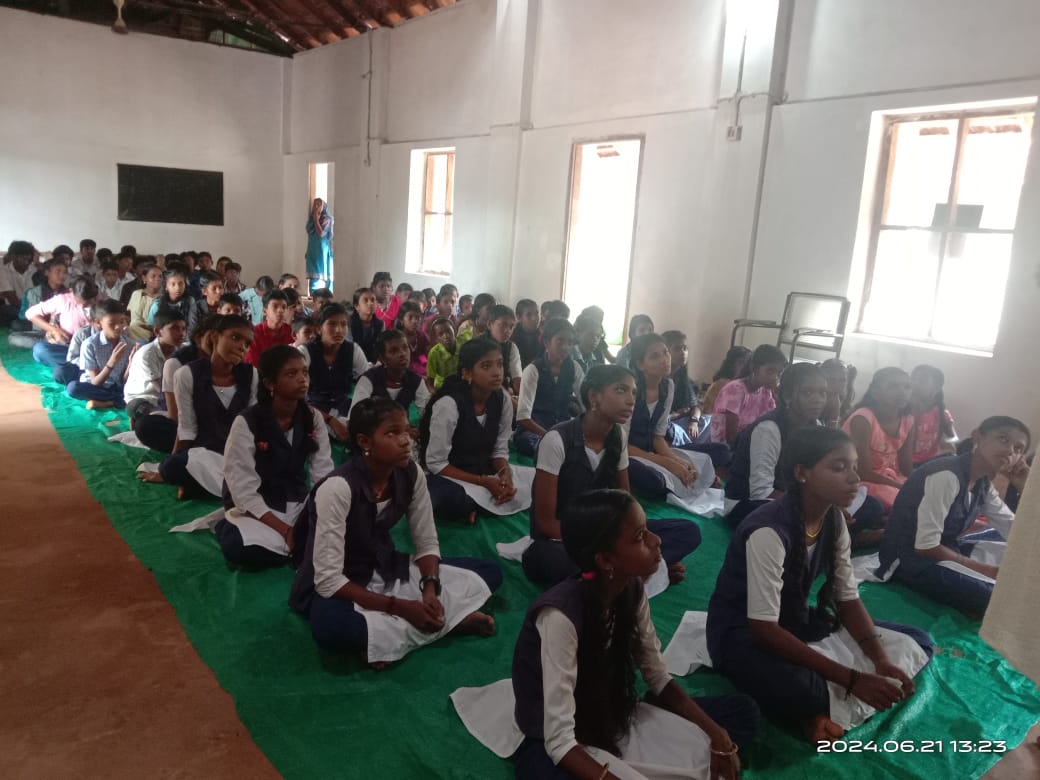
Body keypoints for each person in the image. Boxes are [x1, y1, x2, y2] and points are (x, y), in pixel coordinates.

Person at [706, 426, 933, 744]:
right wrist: (853, 680)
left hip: (794, 619)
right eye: (839, 468)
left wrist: (880, 660)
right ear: (802, 473)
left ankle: (825, 707)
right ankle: (814, 710)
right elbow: (764, 631)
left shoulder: (834, 520)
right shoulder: (768, 531)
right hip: (743, 633)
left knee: (917, 640)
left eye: (854, 467)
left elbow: (847, 598)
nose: (854, 478)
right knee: (804, 691)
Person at [512, 490, 757, 779]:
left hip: (612, 714)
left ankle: (661, 723)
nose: (657, 540)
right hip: (555, 736)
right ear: (606, 560)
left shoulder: (631, 589)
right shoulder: (560, 616)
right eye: (640, 537)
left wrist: (717, 734)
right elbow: (559, 741)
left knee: (743, 713)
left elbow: (657, 676)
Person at [289, 397, 502, 665]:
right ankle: (451, 622)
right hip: (344, 581)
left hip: (386, 565)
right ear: (364, 442)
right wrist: (401, 607)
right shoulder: (338, 488)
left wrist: (430, 588)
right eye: (392, 433)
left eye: (405, 431)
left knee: (488, 572)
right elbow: (328, 580)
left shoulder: (411, 473)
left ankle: (386, 641)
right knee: (331, 628)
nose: (405, 441)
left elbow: (426, 541)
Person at [524, 365, 701, 588]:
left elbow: (626, 503)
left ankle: (625, 570)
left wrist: (635, 537)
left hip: (608, 533)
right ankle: (642, 568)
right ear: (594, 397)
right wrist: (609, 544)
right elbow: (546, 523)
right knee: (553, 561)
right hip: (564, 538)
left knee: (688, 531)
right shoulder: (557, 440)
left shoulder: (618, 436)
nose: (631, 400)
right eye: (620, 390)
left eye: (634, 392)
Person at [878, 416, 1029, 618]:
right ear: (977, 437)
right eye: (1003, 439)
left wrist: (1025, 487)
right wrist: (987, 571)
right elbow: (926, 546)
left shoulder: (983, 483)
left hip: (947, 548)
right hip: (910, 560)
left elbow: (1014, 529)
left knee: (1014, 551)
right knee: (998, 599)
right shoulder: (947, 475)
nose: (1010, 450)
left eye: (1018, 449)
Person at [724, 363, 886, 541]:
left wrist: (831, 501)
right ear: (787, 396)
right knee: (790, 517)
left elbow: (822, 475)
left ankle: (831, 535)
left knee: (872, 506)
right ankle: (847, 539)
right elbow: (760, 492)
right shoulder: (769, 429)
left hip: (796, 498)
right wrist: (820, 507)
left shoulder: (815, 426)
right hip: (749, 504)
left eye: (823, 393)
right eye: (808, 393)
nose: (818, 400)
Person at [212, 345, 334, 567]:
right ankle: (299, 548)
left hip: (297, 503)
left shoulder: (313, 417)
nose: (302, 379)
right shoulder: (247, 421)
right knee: (237, 546)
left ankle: (298, 548)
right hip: (257, 510)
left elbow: (323, 473)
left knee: (349, 526)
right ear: (270, 384)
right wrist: (286, 530)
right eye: (291, 374)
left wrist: (321, 511)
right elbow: (243, 490)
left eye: (305, 372)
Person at [139, 315, 259, 499]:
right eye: (235, 337)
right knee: (171, 466)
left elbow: (253, 424)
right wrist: (168, 467)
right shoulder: (187, 374)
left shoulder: (250, 375)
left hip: (239, 452)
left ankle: (206, 485)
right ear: (215, 337)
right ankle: (219, 485)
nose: (242, 346)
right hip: (205, 451)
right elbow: (187, 428)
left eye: (247, 343)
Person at [419, 337, 517, 524]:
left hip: (485, 470)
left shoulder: (503, 399)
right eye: (486, 366)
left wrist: (505, 474)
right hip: (452, 475)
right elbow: (436, 463)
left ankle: (477, 506)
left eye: (499, 364)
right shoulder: (449, 404)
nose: (497, 372)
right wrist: (482, 481)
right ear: (467, 373)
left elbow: (499, 449)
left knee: (531, 481)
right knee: (439, 498)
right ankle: (472, 505)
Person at [624, 333, 714, 500]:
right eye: (654, 356)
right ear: (640, 364)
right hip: (627, 453)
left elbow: (657, 437)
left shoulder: (668, 386)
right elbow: (621, 444)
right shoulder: (631, 391)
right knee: (655, 480)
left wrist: (676, 461)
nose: (664, 359)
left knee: (707, 459)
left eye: (665, 352)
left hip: (651, 451)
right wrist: (667, 463)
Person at [136, 315, 221, 453]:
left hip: (222, 424)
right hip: (191, 422)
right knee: (146, 426)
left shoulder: (231, 361)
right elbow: (176, 417)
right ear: (198, 339)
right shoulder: (177, 364)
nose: (216, 343)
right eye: (212, 338)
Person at [842, 367, 915, 512]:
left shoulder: (908, 420)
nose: (902, 392)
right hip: (857, 478)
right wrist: (901, 487)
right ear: (875, 393)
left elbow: (906, 465)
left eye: (907, 386)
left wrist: (915, 483)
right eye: (893, 386)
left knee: (923, 495)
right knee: (904, 501)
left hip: (886, 477)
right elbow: (862, 471)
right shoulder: (863, 419)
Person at [298, 303, 370, 441]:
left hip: (344, 408)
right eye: (332, 324)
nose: (338, 330)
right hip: (314, 409)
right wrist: (330, 420)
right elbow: (296, 396)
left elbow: (367, 383)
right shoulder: (305, 352)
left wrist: (353, 417)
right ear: (319, 329)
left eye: (343, 324)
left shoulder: (353, 350)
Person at [514, 318, 583, 457]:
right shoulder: (533, 370)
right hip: (534, 432)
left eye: (570, 343)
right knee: (542, 447)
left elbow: (585, 403)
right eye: (560, 341)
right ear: (547, 342)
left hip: (563, 430)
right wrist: (550, 437)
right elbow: (523, 417)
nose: (566, 347)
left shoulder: (574, 368)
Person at [709, 344, 787, 446]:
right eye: (770, 371)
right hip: (725, 447)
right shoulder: (735, 390)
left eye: (779, 374)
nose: (775, 378)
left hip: (749, 442)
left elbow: (773, 421)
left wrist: (778, 397)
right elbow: (731, 437)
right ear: (755, 368)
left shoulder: (765, 392)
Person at [65, 299, 136, 410]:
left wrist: (131, 364)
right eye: (112, 323)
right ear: (98, 323)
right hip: (95, 387)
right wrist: (111, 363)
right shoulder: (90, 345)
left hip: (117, 387)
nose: (118, 327)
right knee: (73, 388)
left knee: (139, 389)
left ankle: (108, 402)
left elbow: (124, 381)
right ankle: (117, 401)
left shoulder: (129, 344)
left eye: (121, 321)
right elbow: (95, 382)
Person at [351, 329, 430, 423]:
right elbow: (355, 417)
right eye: (393, 351)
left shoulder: (416, 380)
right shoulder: (369, 379)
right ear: (382, 359)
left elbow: (427, 413)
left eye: (405, 347)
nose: (402, 354)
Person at [124, 308, 187, 423]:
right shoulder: (146, 354)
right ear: (158, 332)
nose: (181, 333)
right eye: (174, 328)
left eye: (183, 329)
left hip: (171, 396)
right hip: (145, 398)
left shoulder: (184, 350)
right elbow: (161, 389)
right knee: (148, 414)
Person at [26, 275, 99, 368]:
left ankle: (76, 366)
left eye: (89, 302)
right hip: (68, 347)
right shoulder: (63, 300)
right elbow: (30, 313)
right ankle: (81, 365)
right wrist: (54, 330)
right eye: (80, 301)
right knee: (40, 349)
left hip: (96, 348)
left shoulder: (102, 301)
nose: (84, 305)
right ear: (72, 292)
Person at [10, 257, 67, 344]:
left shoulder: (68, 293)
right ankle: (53, 342)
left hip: (64, 329)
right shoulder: (35, 292)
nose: (62, 275)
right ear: (47, 273)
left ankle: (53, 342)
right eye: (58, 271)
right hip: (43, 329)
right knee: (13, 337)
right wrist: (52, 329)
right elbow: (37, 323)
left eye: (64, 272)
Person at [910, 364, 957, 467]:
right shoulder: (904, 412)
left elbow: (953, 438)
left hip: (929, 463)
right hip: (906, 463)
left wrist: (947, 444)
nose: (914, 384)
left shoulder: (942, 414)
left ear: (936, 388)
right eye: (912, 379)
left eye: (921, 381)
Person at [244, 290, 294, 365]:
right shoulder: (253, 333)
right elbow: (252, 363)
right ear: (264, 311)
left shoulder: (291, 332)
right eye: (275, 306)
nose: (280, 310)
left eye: (284, 307)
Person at [701, 346, 752, 418]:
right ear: (731, 363)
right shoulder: (724, 384)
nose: (746, 367)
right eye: (742, 362)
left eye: (748, 364)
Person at [485, 304, 523, 401]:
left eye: (511, 326)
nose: (508, 331)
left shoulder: (511, 347)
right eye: (503, 325)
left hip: (504, 392)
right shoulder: (478, 346)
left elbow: (517, 378)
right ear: (489, 324)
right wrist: (509, 399)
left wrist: (522, 399)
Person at [147, 268, 198, 335]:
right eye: (173, 284)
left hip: (184, 336)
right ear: (166, 287)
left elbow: (192, 325)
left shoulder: (190, 300)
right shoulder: (157, 304)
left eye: (181, 284)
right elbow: (152, 326)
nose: (178, 288)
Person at [0, 241, 38, 327]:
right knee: (6, 312)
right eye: (24, 259)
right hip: (14, 308)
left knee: (17, 324)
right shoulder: (4, 271)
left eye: (29, 260)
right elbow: (12, 299)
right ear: (13, 257)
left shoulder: (35, 271)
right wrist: (30, 313)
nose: (27, 263)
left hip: (34, 308)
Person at [126, 264, 164, 341]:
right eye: (153, 276)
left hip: (154, 335)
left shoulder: (164, 298)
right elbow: (129, 315)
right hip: (133, 333)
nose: (158, 279)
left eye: (160, 276)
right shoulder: (137, 294)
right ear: (144, 278)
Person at [304, 197, 335, 291]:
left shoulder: (327, 219)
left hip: (322, 251)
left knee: (325, 271)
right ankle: (313, 292)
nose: (316, 207)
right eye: (315, 204)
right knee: (313, 272)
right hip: (313, 250)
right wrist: (314, 219)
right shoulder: (311, 219)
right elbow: (309, 232)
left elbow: (321, 233)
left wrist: (316, 220)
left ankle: (328, 292)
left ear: (323, 207)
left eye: (319, 205)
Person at [394, 300, 430, 376]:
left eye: (418, 317)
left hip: (422, 369)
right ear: (401, 320)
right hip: (402, 372)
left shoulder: (421, 336)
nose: (414, 321)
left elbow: (427, 355)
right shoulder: (395, 338)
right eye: (410, 317)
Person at [349, 287, 384, 362]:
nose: (370, 303)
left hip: (374, 362)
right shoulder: (348, 323)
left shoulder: (380, 324)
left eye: (373, 300)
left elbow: (381, 347)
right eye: (365, 300)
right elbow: (349, 347)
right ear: (357, 306)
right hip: (353, 360)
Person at [820, 358, 856, 428]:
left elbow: (832, 429)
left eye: (843, 380)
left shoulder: (840, 399)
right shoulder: (813, 398)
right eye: (832, 379)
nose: (837, 384)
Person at [424, 316, 458, 390]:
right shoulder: (434, 354)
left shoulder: (462, 344)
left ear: (454, 331)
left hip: (461, 383)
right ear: (436, 339)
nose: (446, 336)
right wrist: (435, 393)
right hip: (443, 386)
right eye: (440, 334)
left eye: (448, 331)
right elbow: (430, 380)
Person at [512, 298, 542, 368]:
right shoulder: (512, 337)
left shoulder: (543, 336)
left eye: (536, 313)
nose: (534, 318)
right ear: (519, 317)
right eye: (529, 315)